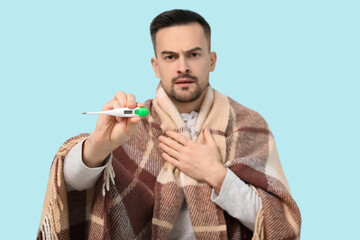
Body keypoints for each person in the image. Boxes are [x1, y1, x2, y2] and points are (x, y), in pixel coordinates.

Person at [38, 9, 301, 240]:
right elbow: (71, 185)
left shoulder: (248, 123)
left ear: (211, 61)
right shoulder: (132, 124)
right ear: (156, 66)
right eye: (170, 57)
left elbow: (279, 222)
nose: (183, 67)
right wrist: (99, 144)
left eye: (194, 54)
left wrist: (216, 175)